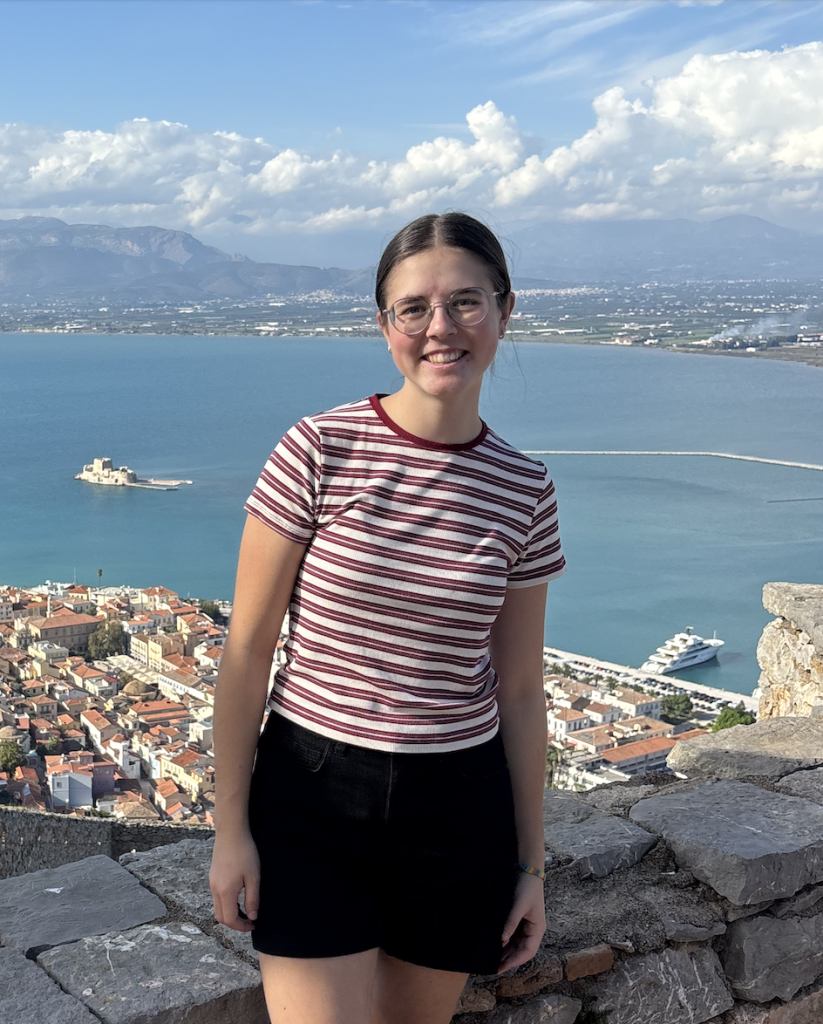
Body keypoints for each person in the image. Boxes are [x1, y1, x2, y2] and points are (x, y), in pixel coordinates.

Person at [209, 212, 567, 1024]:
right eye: (414, 308)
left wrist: (530, 867)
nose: (441, 327)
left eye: (465, 302)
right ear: (384, 326)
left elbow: (519, 689)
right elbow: (248, 650)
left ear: (505, 310)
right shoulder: (318, 450)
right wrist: (230, 832)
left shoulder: (525, 489)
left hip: (458, 804)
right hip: (312, 791)